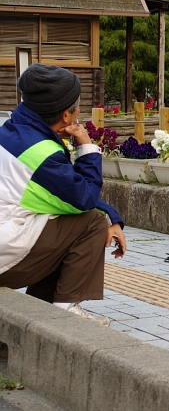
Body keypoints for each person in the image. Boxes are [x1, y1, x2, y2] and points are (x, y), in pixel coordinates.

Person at [0, 64, 127, 326]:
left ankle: (43, 312)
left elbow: (62, 193)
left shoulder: (11, 133)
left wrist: (111, 214)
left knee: (68, 223)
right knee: (91, 223)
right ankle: (65, 310)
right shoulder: (41, 153)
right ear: (67, 115)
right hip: (5, 257)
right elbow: (83, 200)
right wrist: (88, 148)